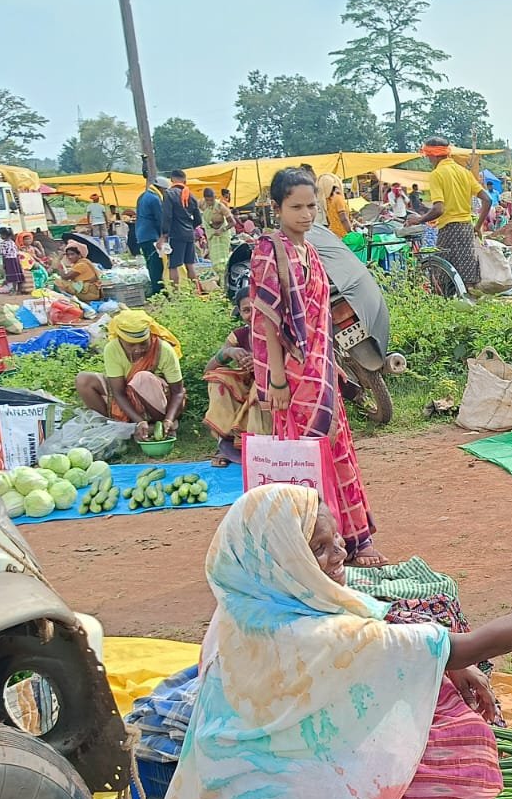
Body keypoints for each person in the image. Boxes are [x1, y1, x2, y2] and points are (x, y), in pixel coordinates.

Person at [155, 483, 512, 799]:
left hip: (225, 787)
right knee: (445, 739)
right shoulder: (325, 638)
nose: (341, 553)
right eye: (319, 549)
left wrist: (445, 665)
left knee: (428, 684)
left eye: (336, 538)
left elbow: (378, 625)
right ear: (284, 562)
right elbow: (468, 645)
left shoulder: (245, 607)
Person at [250, 166, 385, 564]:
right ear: (276, 208)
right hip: (291, 377)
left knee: (336, 448)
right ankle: (310, 545)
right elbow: (267, 322)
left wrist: (332, 362)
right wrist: (276, 380)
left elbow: (319, 317)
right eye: (296, 207)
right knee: (303, 457)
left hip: (320, 369)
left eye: (312, 206)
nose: (306, 214)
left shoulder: (310, 249)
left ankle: (352, 538)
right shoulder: (269, 251)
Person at [74, 308, 186, 440]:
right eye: (131, 345)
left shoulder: (163, 349)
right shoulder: (112, 349)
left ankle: (160, 426)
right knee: (84, 380)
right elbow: (119, 392)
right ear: (121, 340)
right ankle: (114, 426)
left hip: (157, 403)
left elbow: (178, 392)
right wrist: (140, 421)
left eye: (143, 344)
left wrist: (169, 419)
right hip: (127, 398)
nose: (138, 349)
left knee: (142, 377)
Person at [408, 137, 488, 288]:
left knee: (443, 278)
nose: (428, 159)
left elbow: (439, 209)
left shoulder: (437, 174)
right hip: (466, 228)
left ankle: (448, 301)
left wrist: (419, 220)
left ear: (433, 155)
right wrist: (477, 226)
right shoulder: (464, 172)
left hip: (449, 229)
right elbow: (487, 200)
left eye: (428, 156)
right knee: (467, 278)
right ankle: (469, 300)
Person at [202, 325, 271, 465]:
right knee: (219, 378)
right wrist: (228, 352)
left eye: (254, 311)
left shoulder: (280, 332)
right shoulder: (240, 335)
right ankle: (228, 444)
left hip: (273, 389)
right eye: (245, 312)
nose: (250, 315)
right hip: (246, 387)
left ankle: (258, 450)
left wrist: (261, 365)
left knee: (258, 389)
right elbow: (208, 370)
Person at [161, 169, 205, 292]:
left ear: (171, 180)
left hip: (175, 235)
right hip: (189, 234)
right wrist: (190, 227)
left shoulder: (169, 194)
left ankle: (176, 294)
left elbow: (167, 216)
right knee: (190, 265)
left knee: (173, 265)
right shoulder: (191, 196)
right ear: (185, 181)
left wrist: (164, 233)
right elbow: (198, 219)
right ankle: (195, 291)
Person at [134, 175, 168, 296]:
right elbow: (160, 219)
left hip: (141, 234)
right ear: (161, 188)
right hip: (151, 235)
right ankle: (158, 291)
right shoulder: (154, 199)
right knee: (156, 265)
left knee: (150, 263)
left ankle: (156, 289)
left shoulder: (143, 196)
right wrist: (163, 235)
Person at [202, 187, 234, 269]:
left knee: (223, 258)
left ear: (215, 197)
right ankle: (217, 273)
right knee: (214, 257)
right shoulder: (202, 205)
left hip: (222, 235)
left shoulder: (220, 206)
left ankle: (223, 273)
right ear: (205, 199)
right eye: (208, 200)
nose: (210, 202)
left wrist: (222, 230)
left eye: (211, 200)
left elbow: (233, 222)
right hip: (211, 235)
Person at [0, 227, 26, 294]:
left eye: (1, 235)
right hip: (15, 260)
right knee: (17, 274)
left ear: (4, 235)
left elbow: (3, 254)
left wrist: (4, 263)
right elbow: (16, 252)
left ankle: (14, 290)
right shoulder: (12, 242)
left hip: (9, 261)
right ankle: (19, 290)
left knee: (12, 276)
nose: (0, 236)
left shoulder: (3, 244)